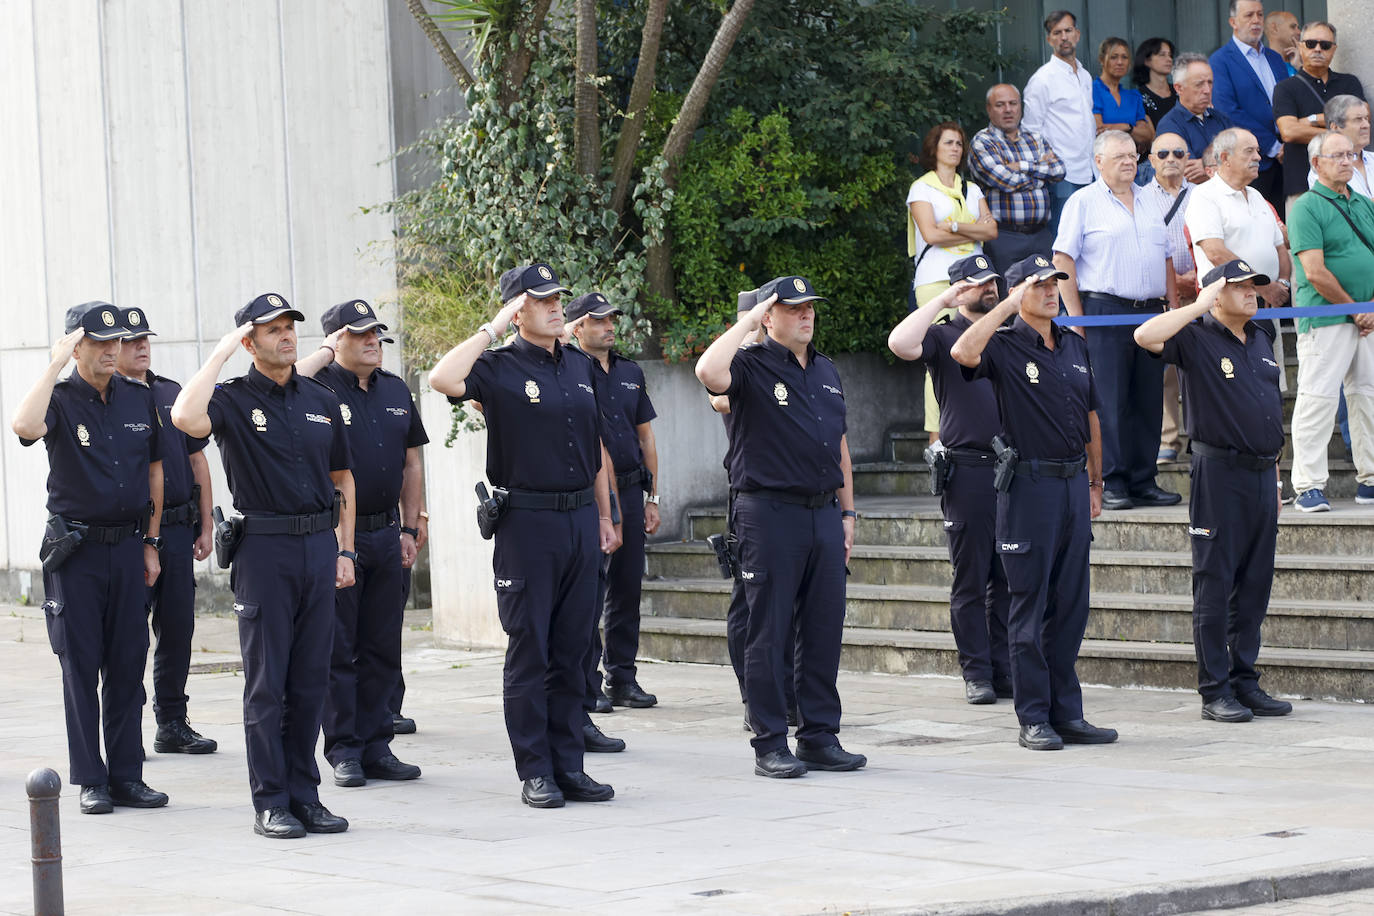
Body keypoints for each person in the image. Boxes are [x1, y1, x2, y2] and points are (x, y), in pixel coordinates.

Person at [428, 263, 620, 809]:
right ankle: (535, 769)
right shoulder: (498, 366)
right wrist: (491, 328)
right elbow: (444, 380)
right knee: (531, 648)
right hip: (528, 522)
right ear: (517, 310)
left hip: (580, 516)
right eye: (541, 299)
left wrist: (605, 517)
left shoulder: (581, 365)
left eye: (557, 296)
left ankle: (570, 766)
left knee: (573, 648)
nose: (557, 305)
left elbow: (595, 446)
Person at [171, 293, 355, 839]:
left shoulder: (319, 398)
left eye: (289, 327)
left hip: (319, 547)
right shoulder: (229, 398)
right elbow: (184, 417)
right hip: (265, 550)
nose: (286, 336)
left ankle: (306, 795)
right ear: (249, 342)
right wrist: (222, 352)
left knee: (309, 681)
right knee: (267, 683)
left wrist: (344, 550)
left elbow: (343, 479)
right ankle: (270, 800)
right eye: (272, 330)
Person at [695, 275, 866, 779]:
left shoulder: (827, 371)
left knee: (822, 628)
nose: (806, 315)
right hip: (768, 513)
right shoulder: (747, 365)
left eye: (810, 307)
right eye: (792, 309)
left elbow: (840, 448)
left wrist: (848, 513)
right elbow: (707, 370)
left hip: (823, 514)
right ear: (769, 317)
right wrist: (750, 320)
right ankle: (770, 740)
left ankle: (818, 735)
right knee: (767, 631)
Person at [950, 255, 1114, 751]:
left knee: (1070, 606)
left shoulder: (1072, 346)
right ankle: (1033, 716)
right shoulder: (1001, 345)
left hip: (1070, 485)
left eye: (1054, 283)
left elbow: (1090, 416)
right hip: (1028, 487)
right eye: (1038, 284)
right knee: (1028, 605)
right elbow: (962, 351)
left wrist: (1096, 480)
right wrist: (1004, 306)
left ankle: (1068, 712)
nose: (1050, 290)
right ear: (1018, 291)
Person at [12, 303, 169, 815]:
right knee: (80, 667)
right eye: (99, 342)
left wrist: (150, 542)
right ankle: (91, 779)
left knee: (127, 664)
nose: (111, 351)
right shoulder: (58, 400)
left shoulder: (137, 399)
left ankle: (127, 775)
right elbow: (24, 424)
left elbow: (154, 472)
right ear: (76, 346)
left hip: (127, 548)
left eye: (115, 342)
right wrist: (53, 364)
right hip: (76, 552)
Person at [1134, 260, 1292, 721]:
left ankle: (1245, 680)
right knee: (1215, 583)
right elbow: (1145, 336)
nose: (1251, 293)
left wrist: (1276, 474)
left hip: (1262, 474)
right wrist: (1197, 304)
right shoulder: (1195, 335)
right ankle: (1215, 689)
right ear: (1215, 295)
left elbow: (1267, 408)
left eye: (1253, 286)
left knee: (1255, 585)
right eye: (1239, 287)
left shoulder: (1262, 338)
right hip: (1218, 474)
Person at [293, 299, 427, 789]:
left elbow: (412, 464)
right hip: (335, 537)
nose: (374, 341)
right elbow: (288, 376)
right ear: (335, 341)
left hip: (386, 532)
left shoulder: (394, 390)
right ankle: (344, 749)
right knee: (339, 648)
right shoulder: (314, 388)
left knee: (381, 645)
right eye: (360, 334)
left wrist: (410, 529)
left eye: (377, 334)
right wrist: (324, 354)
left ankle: (377, 744)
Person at [887, 255, 1012, 705]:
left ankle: (1003, 668)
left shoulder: (1008, 335)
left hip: (1013, 469)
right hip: (969, 467)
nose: (990, 289)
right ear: (960, 289)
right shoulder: (942, 334)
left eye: (993, 281)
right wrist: (940, 299)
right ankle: (976, 672)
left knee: (1010, 576)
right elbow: (900, 343)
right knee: (972, 577)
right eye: (979, 284)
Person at [1053, 130, 1180, 511]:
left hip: (1151, 312)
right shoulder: (1083, 202)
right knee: (1108, 400)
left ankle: (1144, 479)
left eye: (1133, 155)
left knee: (1147, 397)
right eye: (1120, 156)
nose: (1130, 162)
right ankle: (1111, 479)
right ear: (1098, 162)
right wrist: (1076, 319)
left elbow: (1168, 258)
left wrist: (1173, 307)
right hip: (1104, 310)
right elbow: (1063, 259)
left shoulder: (1150, 201)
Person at [114, 307, 218, 756]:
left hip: (177, 529)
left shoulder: (173, 393)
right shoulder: (108, 400)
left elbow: (197, 461)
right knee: (128, 635)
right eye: (130, 340)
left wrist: (207, 521)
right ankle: (125, 728)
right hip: (128, 535)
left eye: (145, 340)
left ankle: (172, 721)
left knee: (178, 628)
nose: (141, 347)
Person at [566, 292, 661, 714]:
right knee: (587, 588)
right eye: (598, 320)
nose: (609, 326)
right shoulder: (567, 369)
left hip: (628, 487)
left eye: (611, 320)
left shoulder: (630, 371)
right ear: (576, 328)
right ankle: (586, 681)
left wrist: (653, 496)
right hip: (587, 494)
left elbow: (646, 437)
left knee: (626, 587)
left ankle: (621, 677)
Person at [709, 291, 799, 731]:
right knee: (749, 604)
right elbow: (718, 397)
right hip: (751, 495)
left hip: (791, 494)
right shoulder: (739, 363)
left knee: (787, 605)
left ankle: (787, 692)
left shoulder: (785, 362)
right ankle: (755, 695)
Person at [1286, 131, 1374, 512]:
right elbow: (1314, 271)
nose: (1346, 161)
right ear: (1316, 163)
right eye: (1336, 155)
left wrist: (1367, 306)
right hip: (1325, 317)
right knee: (1317, 399)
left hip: (1365, 315)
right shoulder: (1306, 207)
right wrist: (1357, 307)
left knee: (1367, 398)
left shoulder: (1364, 204)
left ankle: (1370, 479)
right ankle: (1308, 485)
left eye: (1351, 154)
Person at [907, 121, 996, 444]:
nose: (955, 148)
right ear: (935, 148)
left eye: (959, 143)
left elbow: (991, 231)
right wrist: (972, 226)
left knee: (976, 351)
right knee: (938, 356)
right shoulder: (922, 188)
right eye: (949, 143)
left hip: (974, 280)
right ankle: (937, 436)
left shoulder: (972, 189)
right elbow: (930, 233)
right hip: (935, 280)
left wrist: (955, 225)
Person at [1185, 128, 1294, 391]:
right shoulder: (1205, 196)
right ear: (1225, 158)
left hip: (1265, 308)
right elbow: (1215, 252)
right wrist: (1261, 286)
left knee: (1269, 384)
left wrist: (1282, 285)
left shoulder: (1257, 196)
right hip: (1226, 310)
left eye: (1257, 150)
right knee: (1232, 387)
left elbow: (1280, 247)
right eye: (1249, 151)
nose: (1258, 156)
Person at [1139, 134, 1200, 463]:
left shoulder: (1203, 195)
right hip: (1164, 293)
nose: (1171, 158)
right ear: (1151, 159)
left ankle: (1202, 433)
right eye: (1163, 153)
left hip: (1204, 292)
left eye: (1179, 151)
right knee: (1165, 372)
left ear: (1188, 155)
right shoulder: (1141, 198)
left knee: (1204, 366)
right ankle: (1167, 438)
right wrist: (1174, 282)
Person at [968, 84, 1065, 290]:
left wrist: (1021, 166)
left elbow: (1059, 170)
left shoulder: (1035, 139)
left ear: (1020, 106)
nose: (1008, 110)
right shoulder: (983, 141)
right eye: (1000, 105)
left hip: (1041, 236)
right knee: (1007, 301)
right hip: (1004, 239)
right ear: (989, 109)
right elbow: (1003, 180)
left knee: (1046, 297)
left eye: (1013, 103)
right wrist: (1040, 177)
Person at [1274, 22, 1365, 210]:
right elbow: (1289, 131)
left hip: (1351, 186)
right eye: (1310, 44)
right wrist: (1341, 129)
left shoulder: (1349, 83)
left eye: (1324, 45)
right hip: (1302, 186)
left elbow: (1361, 121)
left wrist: (1311, 119)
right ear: (1300, 46)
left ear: (1333, 49)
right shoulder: (1286, 88)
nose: (1317, 49)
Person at [1210, 0, 1289, 214]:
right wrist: (1272, 146)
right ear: (1233, 21)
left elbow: (1287, 102)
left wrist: (1285, 144)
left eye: (1260, 15)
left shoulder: (1274, 58)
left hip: (1287, 160)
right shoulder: (1220, 61)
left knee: (1285, 230)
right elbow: (1228, 111)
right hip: (1250, 162)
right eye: (1249, 15)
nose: (1256, 20)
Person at [1022, 10, 1096, 228]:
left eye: (1068, 30)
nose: (1063, 37)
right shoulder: (1042, 79)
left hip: (1090, 169)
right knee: (1064, 237)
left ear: (1077, 34)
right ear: (1049, 39)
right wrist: (1049, 161)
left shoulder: (1085, 75)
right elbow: (1030, 130)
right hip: (1062, 174)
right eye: (1057, 33)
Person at [1157, 54, 1235, 185]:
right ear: (1179, 88)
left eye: (1210, 83)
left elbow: (1244, 160)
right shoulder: (1169, 125)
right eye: (1199, 84)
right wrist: (1227, 162)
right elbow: (1189, 174)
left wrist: (1206, 165)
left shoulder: (1221, 118)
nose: (1207, 90)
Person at [1093, 37, 1154, 156]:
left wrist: (1127, 127)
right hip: (1103, 162)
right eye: (1114, 57)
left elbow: (1147, 136)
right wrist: (1133, 131)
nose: (1120, 62)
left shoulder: (1134, 96)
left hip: (1130, 162)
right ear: (1101, 59)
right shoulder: (1092, 90)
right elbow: (1099, 132)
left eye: (1124, 57)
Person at [1307, 95, 1374, 198]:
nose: (1366, 125)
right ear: (1335, 127)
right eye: (1358, 119)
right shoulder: (1323, 167)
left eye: (1366, 119)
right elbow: (1339, 209)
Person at [1134, 38, 1178, 128]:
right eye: (1162, 55)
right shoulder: (1138, 96)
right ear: (1147, 61)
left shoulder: (1180, 92)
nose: (1169, 59)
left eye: (1170, 55)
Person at [1265, 9, 1300, 74]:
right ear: (1274, 28)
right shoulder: (1262, 64)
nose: (1299, 32)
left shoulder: (1301, 63)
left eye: (1298, 28)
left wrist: (1300, 67)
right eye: (1293, 27)